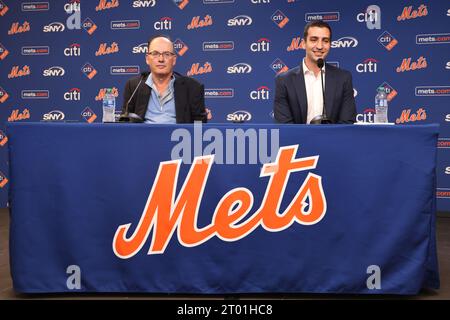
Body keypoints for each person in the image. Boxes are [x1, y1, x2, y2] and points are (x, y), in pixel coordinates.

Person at [273, 20, 356, 124]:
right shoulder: (284, 80)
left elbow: (346, 122)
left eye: (325, 41)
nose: (320, 46)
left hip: (333, 139)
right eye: (314, 40)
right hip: (297, 140)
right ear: (303, 43)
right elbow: (284, 125)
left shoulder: (343, 78)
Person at [121, 34, 210, 123]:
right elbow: (125, 122)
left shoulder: (192, 87)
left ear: (174, 60)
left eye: (166, 54)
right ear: (147, 59)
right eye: (155, 54)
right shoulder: (134, 86)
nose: (161, 59)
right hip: (143, 136)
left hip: (177, 136)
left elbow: (199, 126)